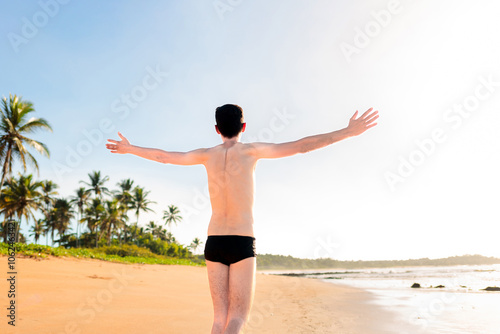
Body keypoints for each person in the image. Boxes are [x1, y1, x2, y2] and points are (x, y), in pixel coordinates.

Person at [105, 104, 378, 334]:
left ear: (216, 129)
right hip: (241, 240)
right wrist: (348, 132)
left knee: (217, 318)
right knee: (237, 319)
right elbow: (302, 146)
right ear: (243, 127)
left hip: (214, 241)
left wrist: (129, 149)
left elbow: (163, 157)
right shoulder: (251, 151)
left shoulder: (206, 155)